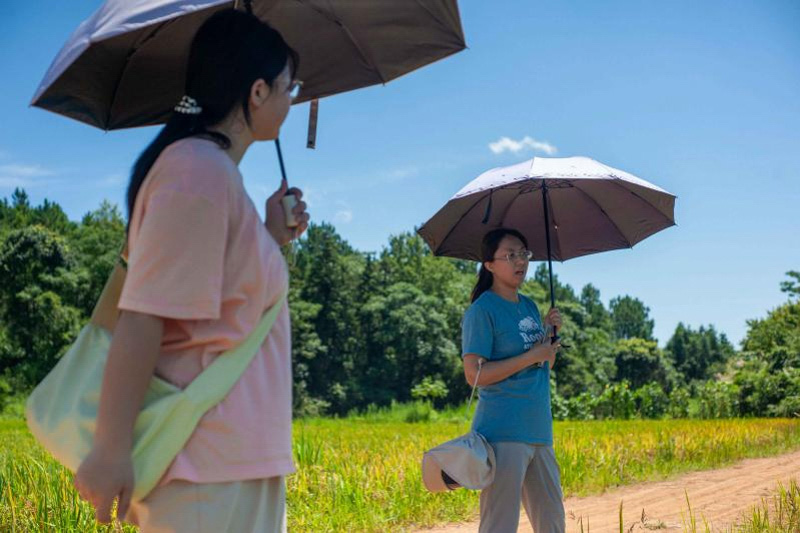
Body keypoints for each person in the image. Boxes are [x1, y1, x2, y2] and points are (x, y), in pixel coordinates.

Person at [72, 9, 308, 532]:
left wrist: (270, 236)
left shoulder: (212, 175)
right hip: (205, 467)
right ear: (257, 92)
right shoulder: (196, 172)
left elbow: (228, 310)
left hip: (231, 461)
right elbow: (143, 317)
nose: (292, 101)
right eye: (289, 88)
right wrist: (110, 448)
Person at [462, 228, 566, 533]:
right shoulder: (482, 310)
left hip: (539, 430)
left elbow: (544, 364)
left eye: (524, 253)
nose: (520, 261)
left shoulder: (530, 307)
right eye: (510, 255)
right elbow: (474, 375)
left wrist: (549, 335)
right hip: (502, 433)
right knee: (500, 526)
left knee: (552, 524)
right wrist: (532, 355)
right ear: (489, 265)